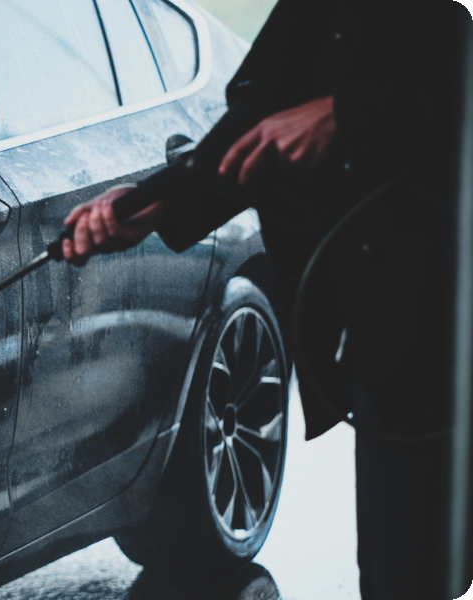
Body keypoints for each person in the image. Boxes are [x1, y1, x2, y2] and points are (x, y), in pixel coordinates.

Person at [61, 1, 470, 598]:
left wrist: (348, 115)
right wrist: (162, 202)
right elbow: (264, 115)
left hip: (449, 287)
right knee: (403, 570)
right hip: (399, 327)